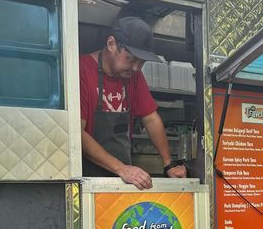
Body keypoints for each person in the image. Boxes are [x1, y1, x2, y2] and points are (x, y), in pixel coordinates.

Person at [80, 16, 187, 188]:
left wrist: (168, 164)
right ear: (111, 44)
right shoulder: (82, 69)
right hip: (88, 180)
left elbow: (151, 119)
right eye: (131, 59)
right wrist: (121, 169)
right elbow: (78, 134)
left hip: (122, 179)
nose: (136, 68)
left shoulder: (133, 76)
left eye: (141, 62)